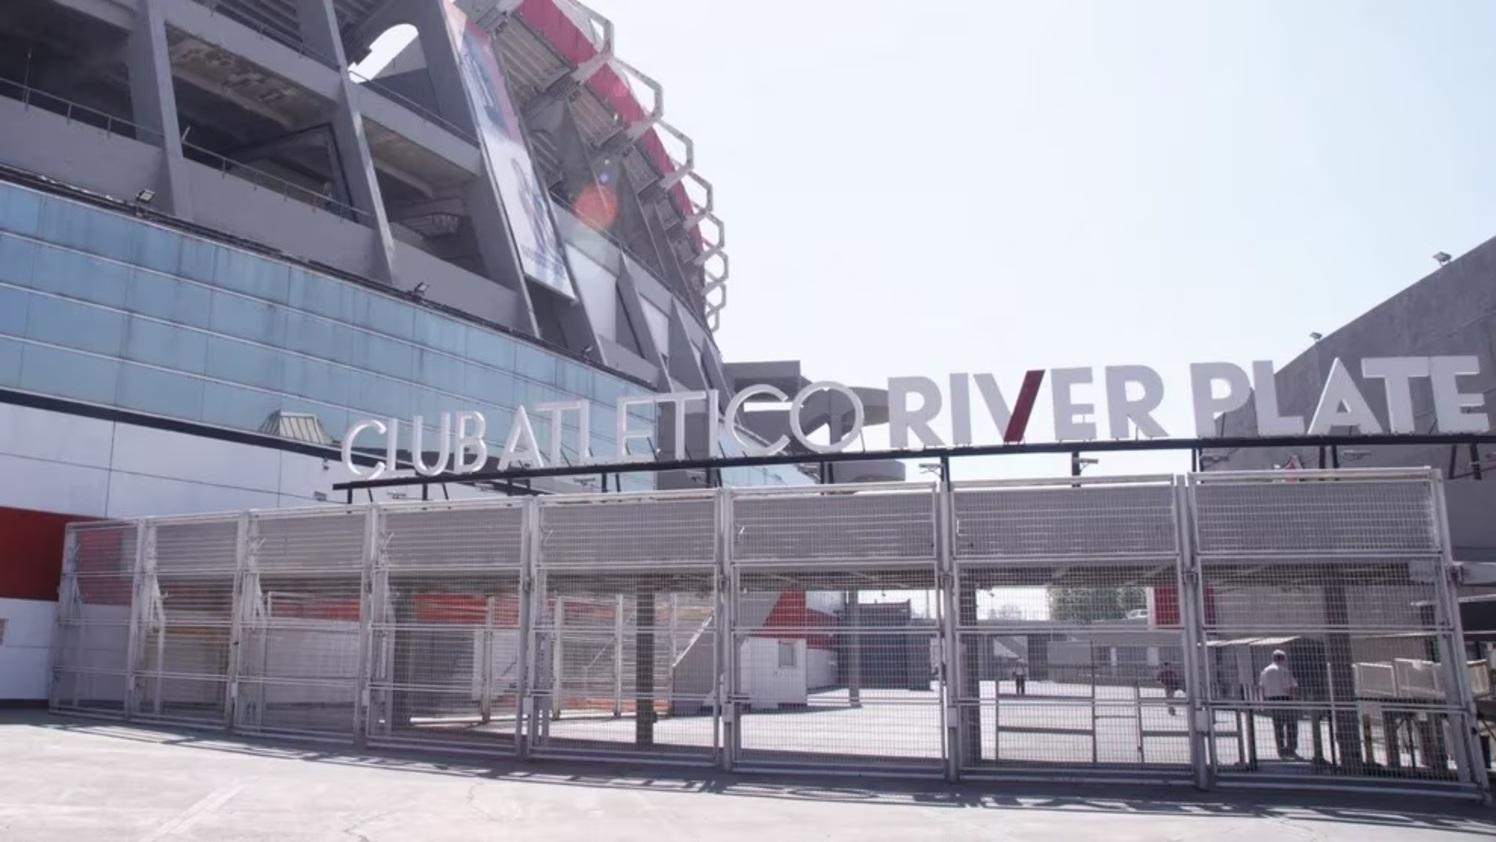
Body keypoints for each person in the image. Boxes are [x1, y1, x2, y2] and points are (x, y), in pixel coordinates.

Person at [1258, 649, 1300, 759]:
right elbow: (1290, 687)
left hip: (1271, 700)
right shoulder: (1284, 671)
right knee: (1291, 724)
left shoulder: (1265, 671)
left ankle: (1280, 750)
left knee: (1278, 726)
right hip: (1285, 699)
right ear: (1283, 659)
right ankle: (1291, 748)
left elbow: (1262, 687)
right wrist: (1294, 701)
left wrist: (1263, 703)